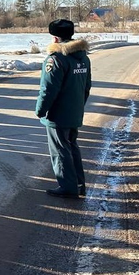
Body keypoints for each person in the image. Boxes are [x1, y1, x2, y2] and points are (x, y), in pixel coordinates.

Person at [35, 19, 91, 199]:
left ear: (55, 38)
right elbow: (87, 87)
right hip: (74, 112)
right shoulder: (83, 58)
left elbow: (48, 89)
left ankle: (68, 187)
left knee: (60, 151)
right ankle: (78, 184)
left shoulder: (56, 59)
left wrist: (40, 110)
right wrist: (78, 106)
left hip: (58, 115)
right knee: (72, 147)